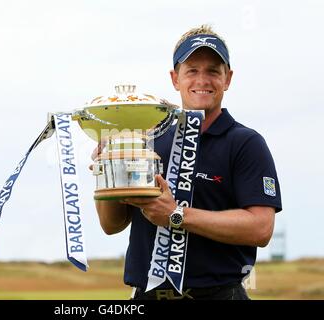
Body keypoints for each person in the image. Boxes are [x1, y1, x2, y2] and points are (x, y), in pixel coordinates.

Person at [94, 25, 282, 300]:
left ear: (227, 78)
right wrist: (108, 170)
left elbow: (261, 228)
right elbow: (112, 225)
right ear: (175, 78)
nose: (202, 80)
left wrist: (177, 215)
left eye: (213, 71)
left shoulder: (246, 143)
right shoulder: (148, 137)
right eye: (192, 70)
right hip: (147, 295)